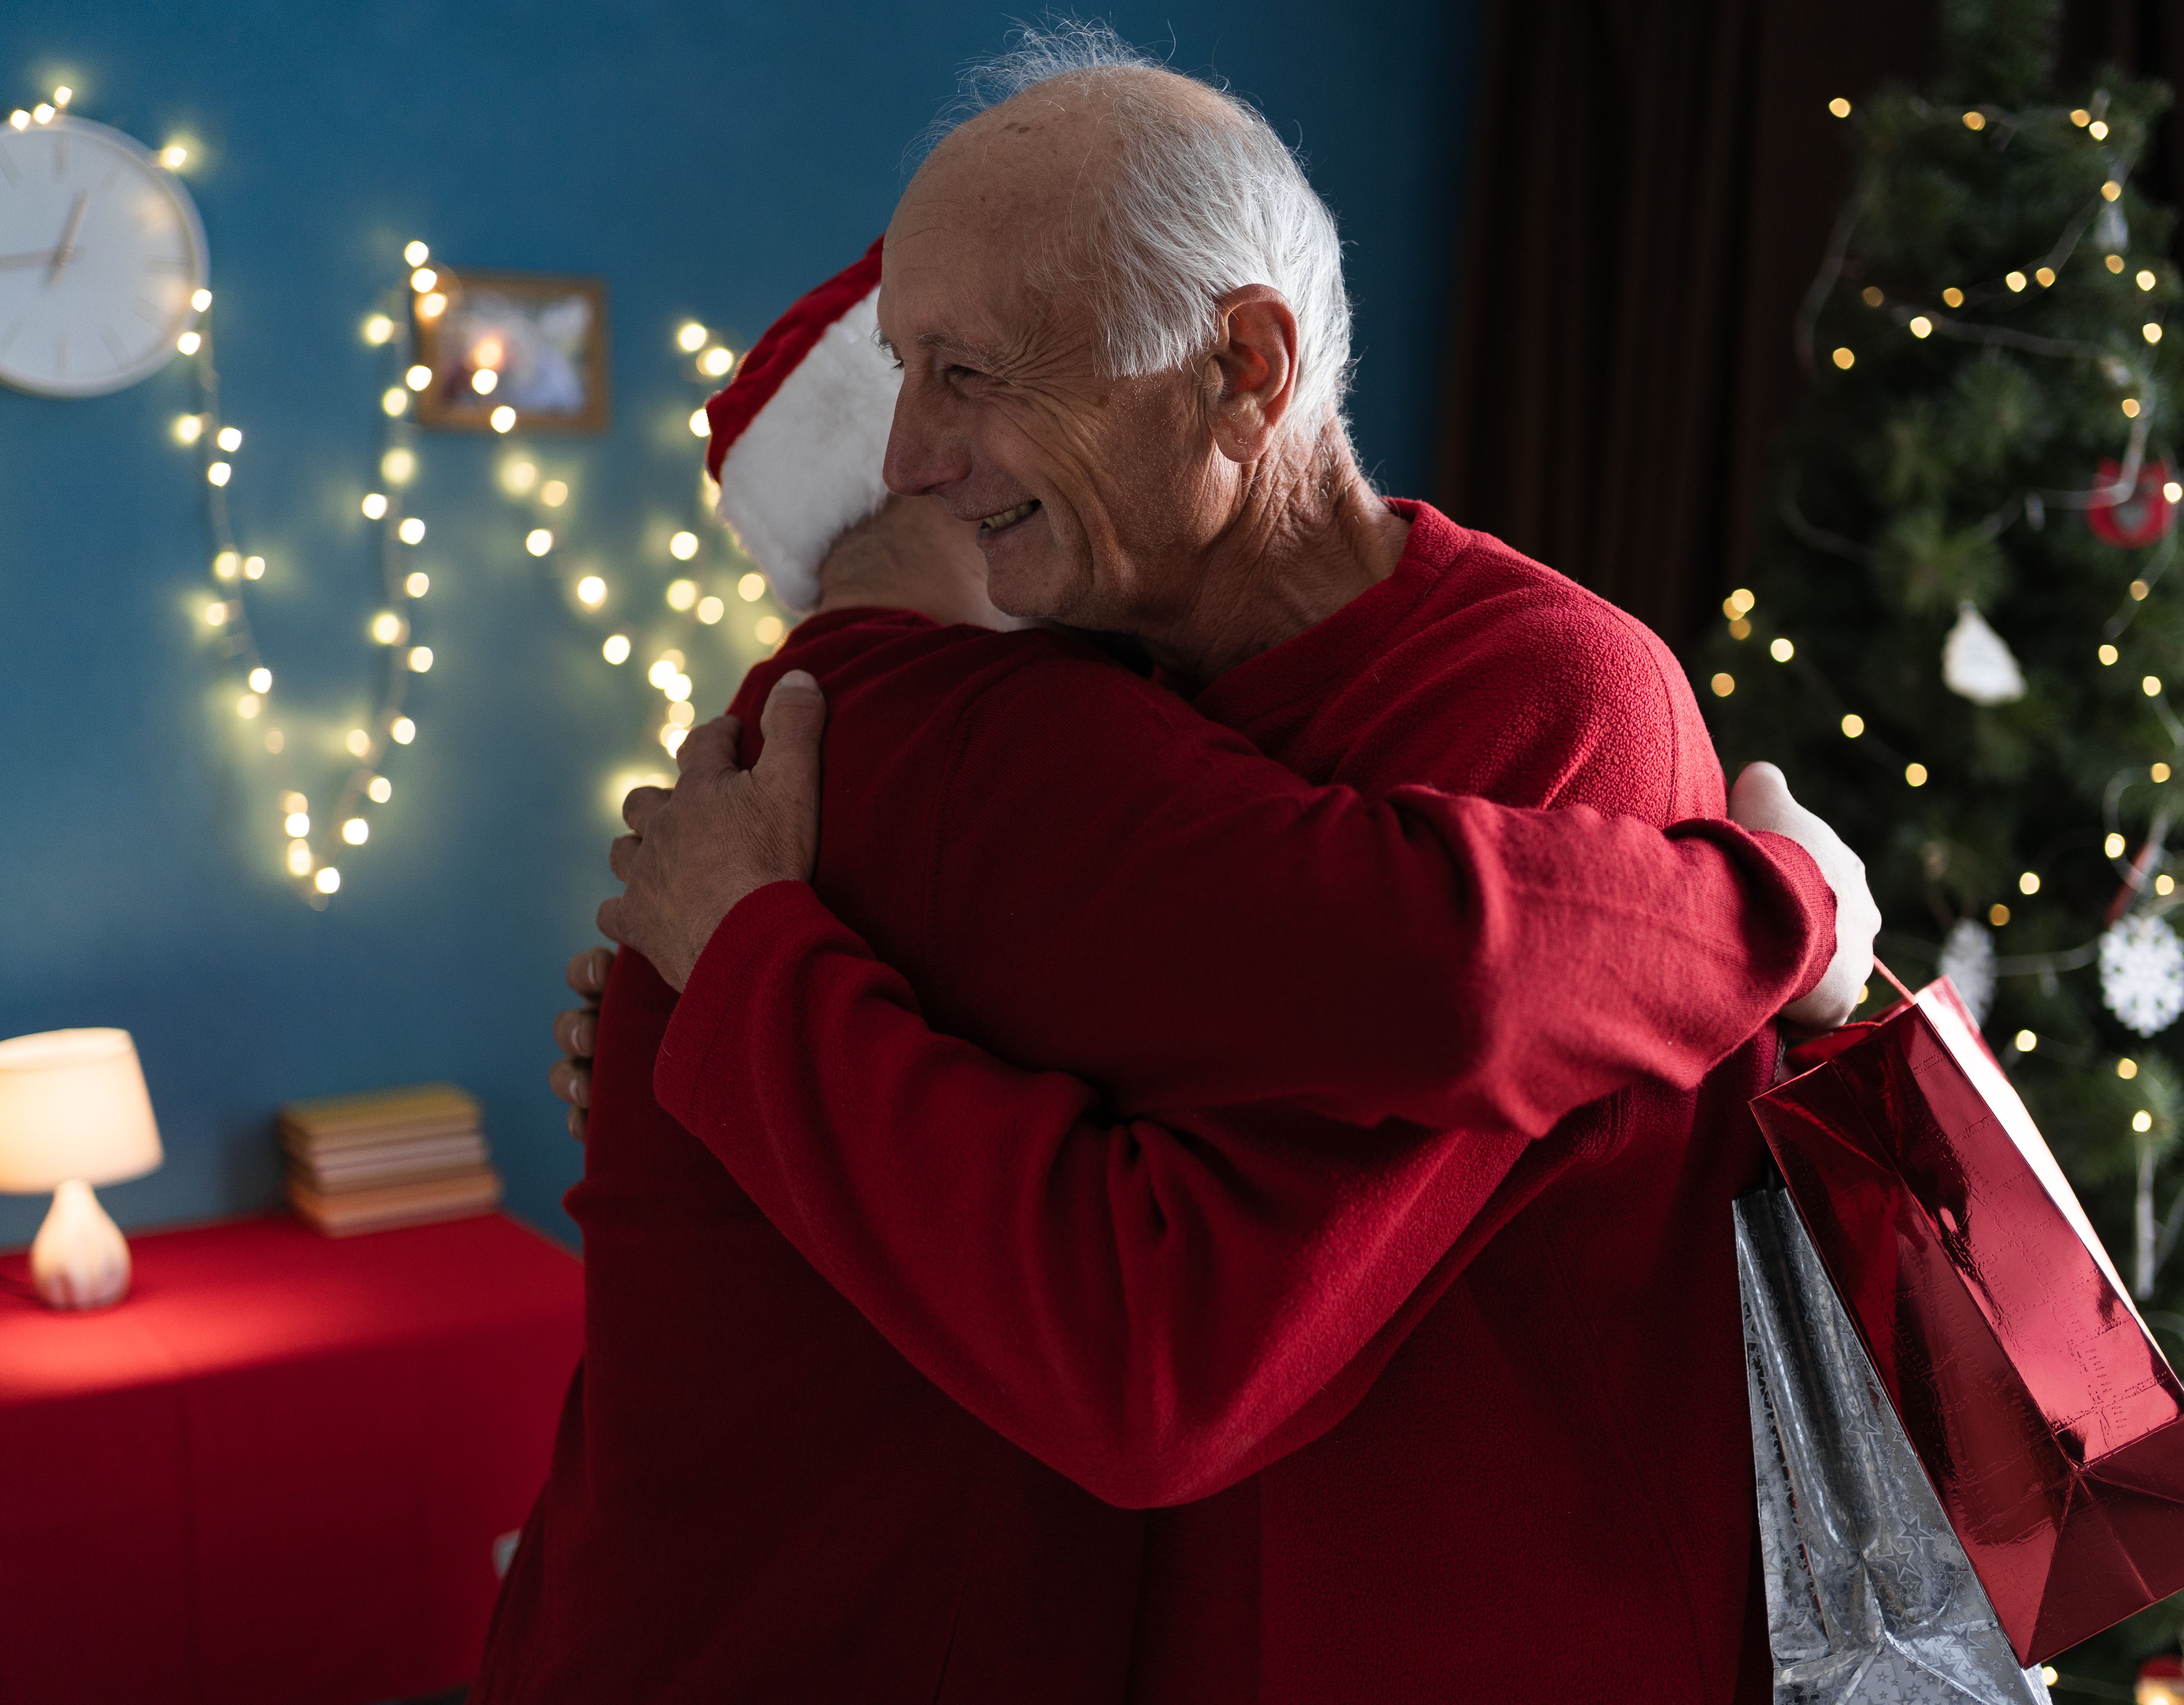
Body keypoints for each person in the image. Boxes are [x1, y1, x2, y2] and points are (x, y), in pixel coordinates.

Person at [488, 241, 1875, 1705]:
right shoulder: (984, 734)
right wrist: (1791, 907)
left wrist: (725, 974)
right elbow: (1399, 947)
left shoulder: (795, 734)